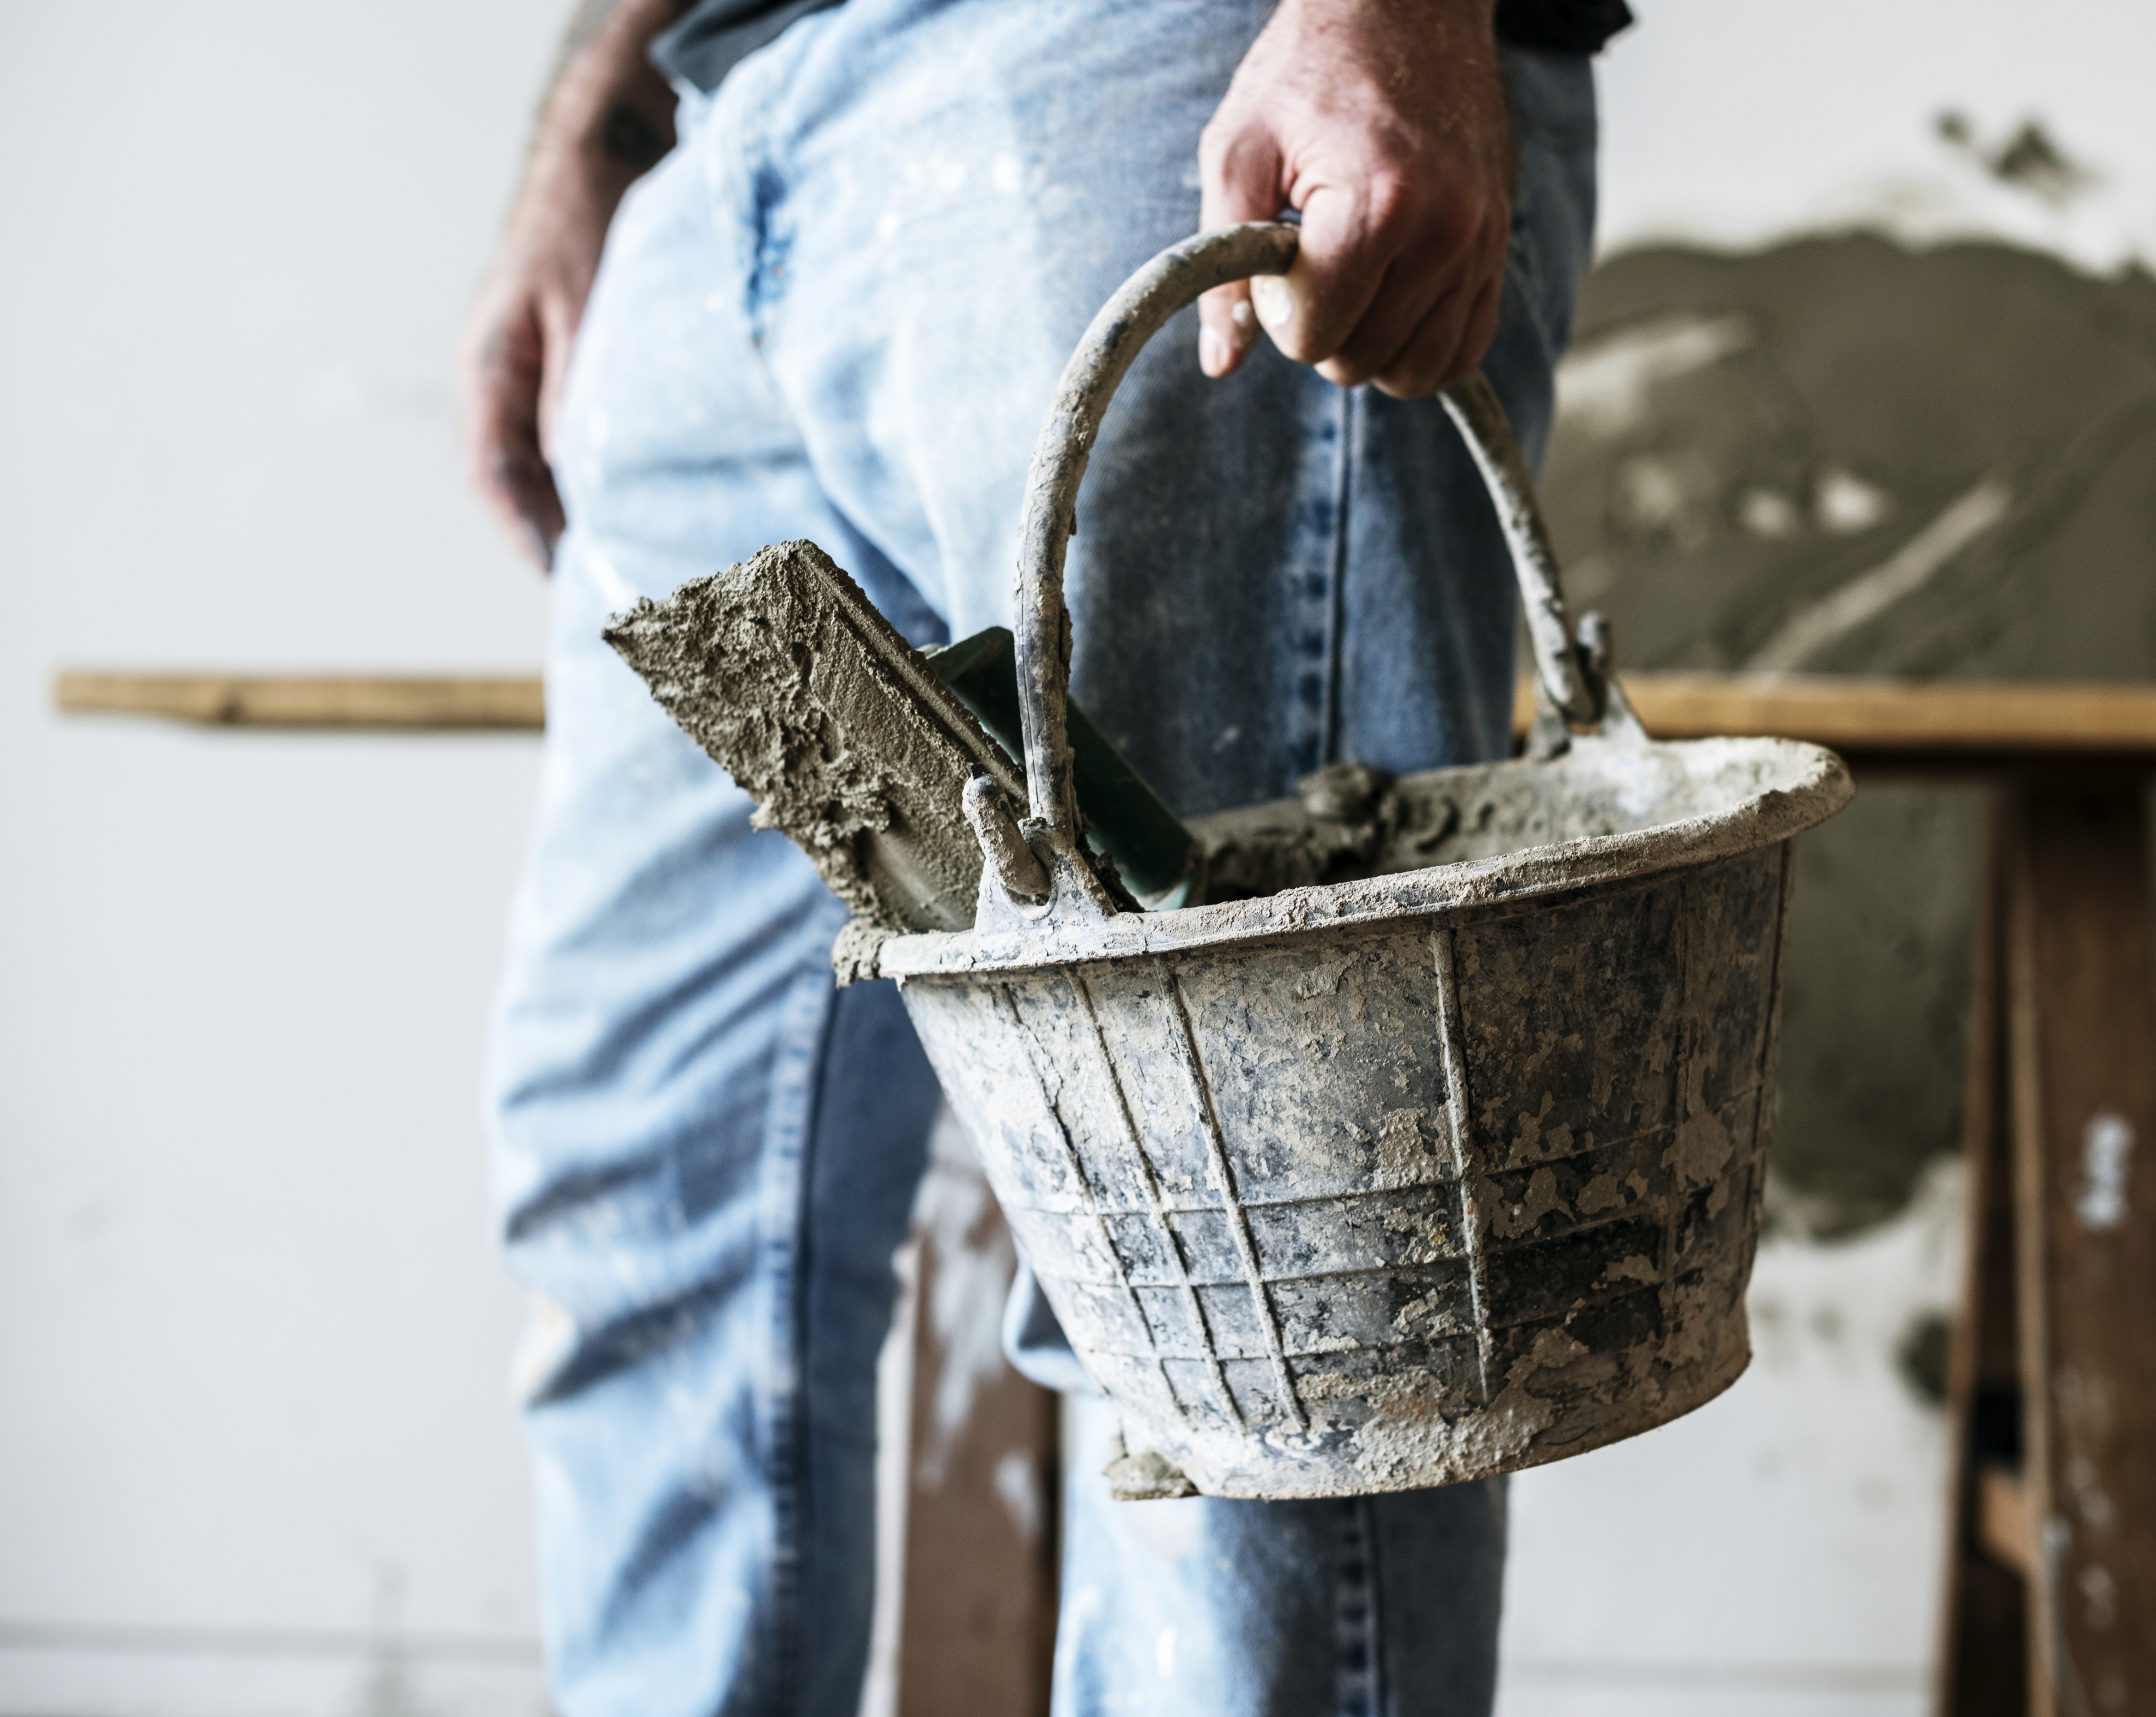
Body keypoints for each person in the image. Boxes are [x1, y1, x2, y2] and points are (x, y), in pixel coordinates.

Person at [460, 1, 1623, 1711]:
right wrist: (598, 120)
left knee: (1260, 1291)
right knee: (652, 1214)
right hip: (721, 131)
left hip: (1151, 76)